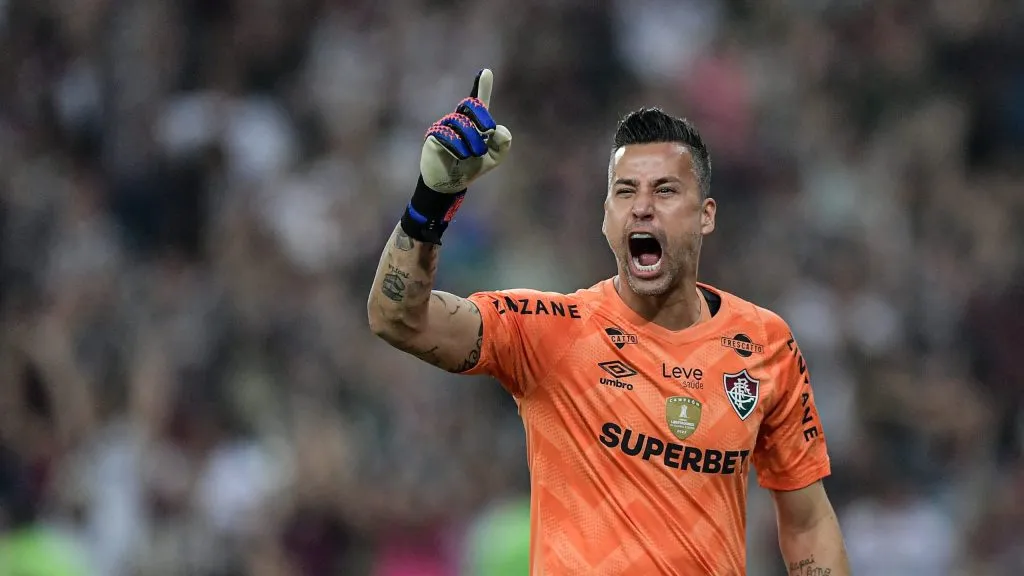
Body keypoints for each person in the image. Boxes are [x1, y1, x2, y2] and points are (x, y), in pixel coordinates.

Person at [367, 69, 851, 576]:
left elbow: (807, 520)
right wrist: (432, 199)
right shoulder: (551, 331)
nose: (642, 207)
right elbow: (395, 318)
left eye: (665, 191)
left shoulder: (764, 343)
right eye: (625, 192)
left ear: (705, 215)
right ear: (606, 217)